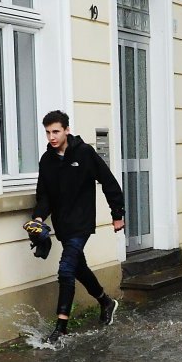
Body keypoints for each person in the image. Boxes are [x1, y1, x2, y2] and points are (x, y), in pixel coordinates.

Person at [30, 110, 125, 343]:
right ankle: (105, 301)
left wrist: (117, 214)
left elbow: (109, 182)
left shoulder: (84, 153)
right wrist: (39, 219)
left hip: (81, 223)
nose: (51, 137)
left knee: (65, 269)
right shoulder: (47, 160)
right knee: (78, 268)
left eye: (56, 131)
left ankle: (60, 328)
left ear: (66, 130)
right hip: (62, 225)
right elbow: (44, 196)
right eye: (48, 132)